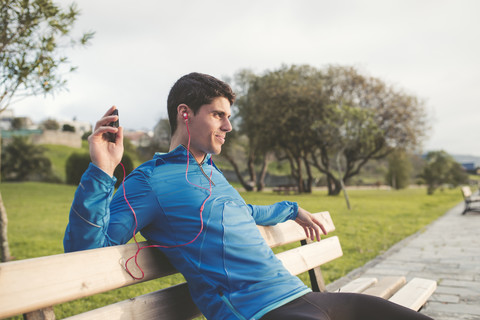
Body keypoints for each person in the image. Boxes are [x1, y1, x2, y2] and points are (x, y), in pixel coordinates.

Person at [64, 72, 433, 320]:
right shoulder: (149, 182)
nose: (228, 126)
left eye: (228, 117)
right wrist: (102, 170)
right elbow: (87, 253)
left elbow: (245, 211)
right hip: (259, 312)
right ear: (185, 114)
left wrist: (291, 209)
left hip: (298, 296)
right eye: (218, 115)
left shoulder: (210, 171)